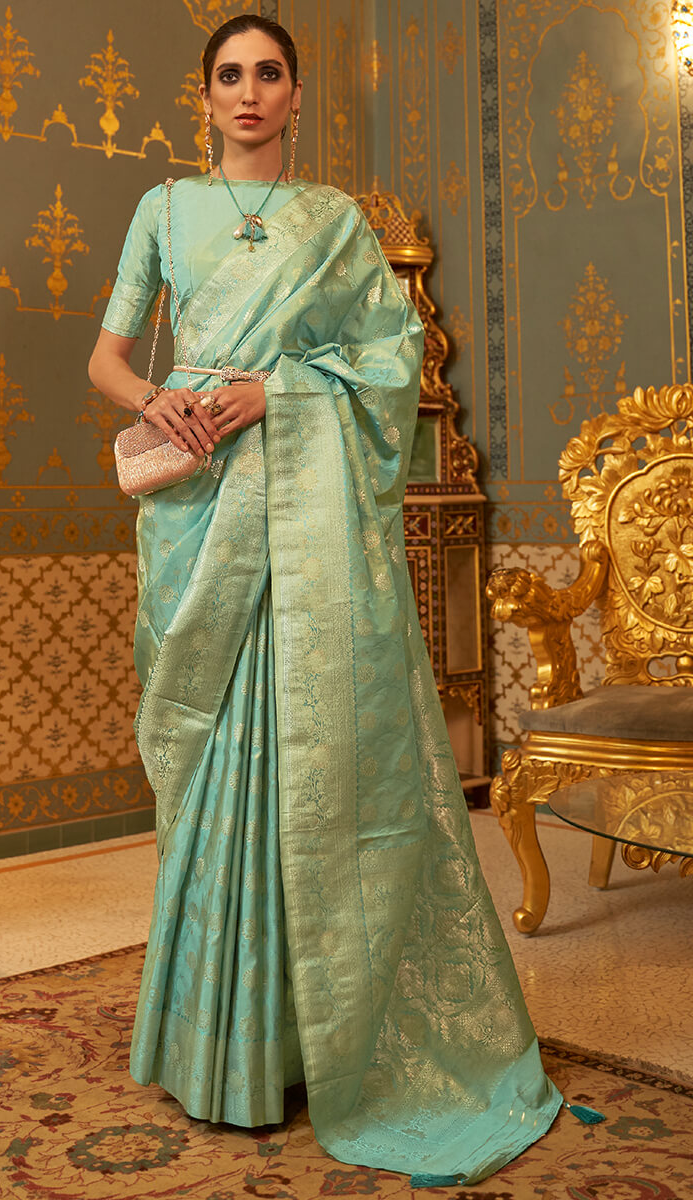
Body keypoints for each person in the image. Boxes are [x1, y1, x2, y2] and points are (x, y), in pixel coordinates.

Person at [88, 14, 567, 1186]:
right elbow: (105, 358)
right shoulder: (164, 209)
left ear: (296, 96)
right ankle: (215, 1045)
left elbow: (390, 363)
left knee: (313, 758)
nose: (247, 92)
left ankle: (311, 1039)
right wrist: (154, 401)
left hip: (301, 512)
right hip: (196, 501)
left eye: (267, 74)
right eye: (228, 76)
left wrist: (279, 392)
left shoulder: (336, 223)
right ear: (204, 97)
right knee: (211, 753)